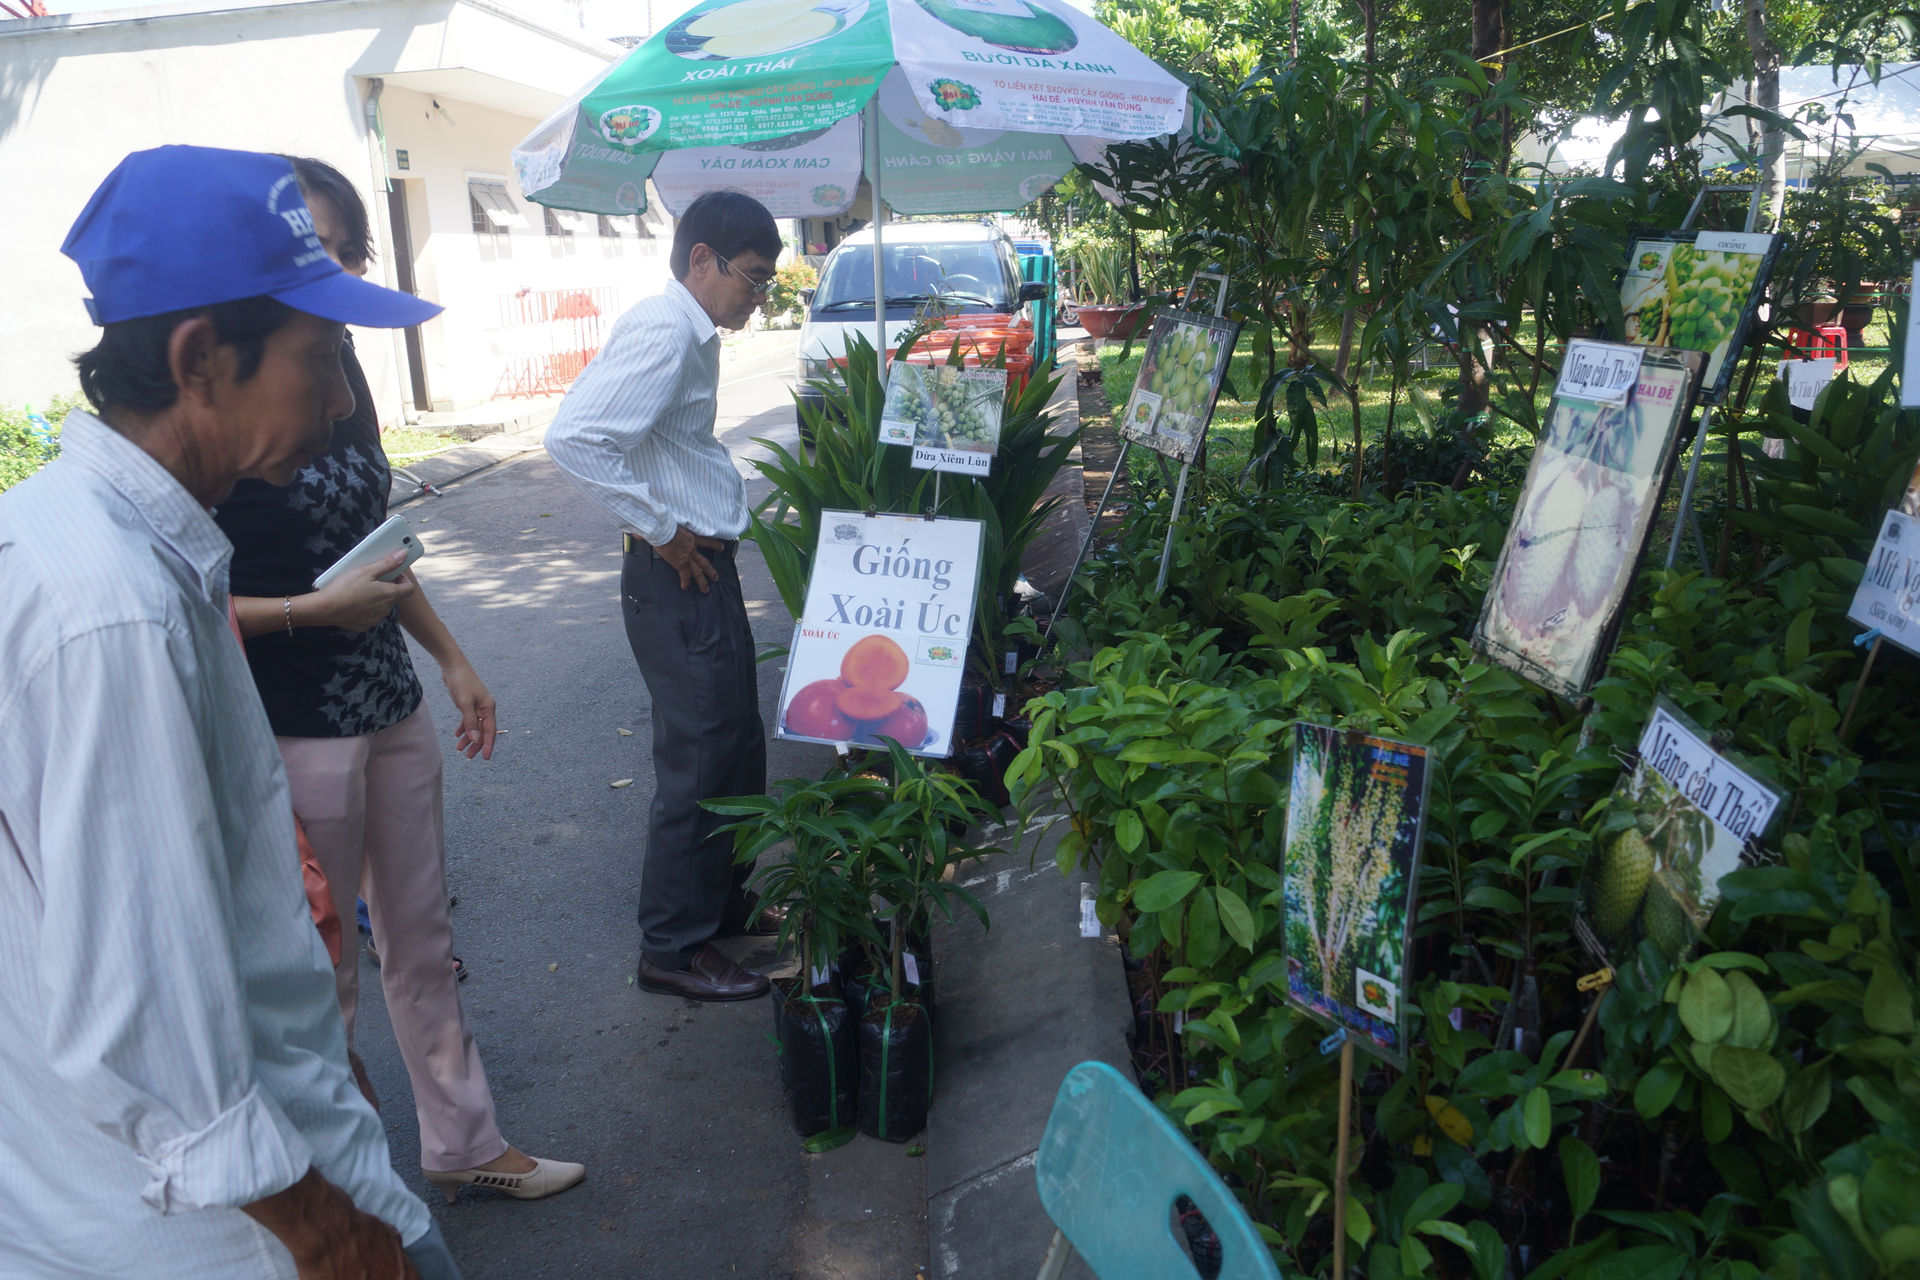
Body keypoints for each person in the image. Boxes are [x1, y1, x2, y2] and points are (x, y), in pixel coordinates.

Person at [0, 144, 459, 1278]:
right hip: (222, 1232)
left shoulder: (94, 542)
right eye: (321, 357)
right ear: (201, 356)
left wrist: (317, 1048)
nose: (345, 397)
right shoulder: (111, 611)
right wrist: (328, 1230)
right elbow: (139, 1009)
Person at [212, 155, 583, 1206]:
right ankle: (332, 1189)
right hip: (292, 728)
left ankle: (465, 1140)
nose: (336, 268)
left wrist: (451, 655)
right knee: (321, 966)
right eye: (313, 248)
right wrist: (307, 613)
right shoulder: (225, 401)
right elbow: (182, 601)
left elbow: (382, 541)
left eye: (348, 248)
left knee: (422, 940)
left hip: (387, 702)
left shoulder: (345, 371)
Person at [545, 190, 784, 1002]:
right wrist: (661, 529)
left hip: (700, 573)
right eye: (752, 279)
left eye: (768, 285)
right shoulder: (663, 326)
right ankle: (674, 948)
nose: (758, 297)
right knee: (698, 762)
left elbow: (664, 442)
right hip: (676, 575)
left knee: (734, 746)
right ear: (700, 260)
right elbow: (575, 436)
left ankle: (721, 908)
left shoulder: (696, 332)